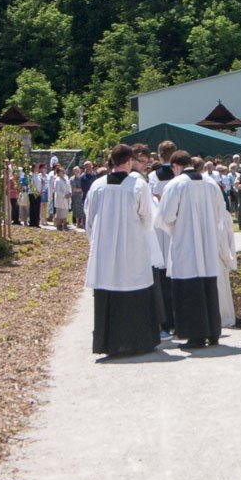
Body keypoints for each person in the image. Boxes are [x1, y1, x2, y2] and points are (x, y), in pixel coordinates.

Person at [84, 144, 162, 357]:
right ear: (129, 161)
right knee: (135, 288)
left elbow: (89, 219)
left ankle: (108, 343)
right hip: (132, 248)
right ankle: (138, 341)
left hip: (105, 251)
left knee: (108, 288)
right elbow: (148, 219)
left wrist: (97, 243)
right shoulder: (138, 185)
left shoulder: (97, 185)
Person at [156, 151, 234, 348]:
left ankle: (195, 335)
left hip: (186, 245)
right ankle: (213, 332)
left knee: (189, 290)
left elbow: (165, 217)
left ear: (175, 166)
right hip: (208, 245)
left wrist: (177, 228)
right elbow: (220, 212)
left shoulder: (176, 184)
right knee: (209, 288)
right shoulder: (211, 184)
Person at [148, 140, 177, 334]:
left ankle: (165, 320)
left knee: (162, 275)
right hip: (176, 227)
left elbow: (152, 199)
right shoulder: (179, 176)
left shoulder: (152, 176)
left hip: (159, 230)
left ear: (159, 155)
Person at [51, 164, 72, 230]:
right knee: (60, 214)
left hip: (66, 199)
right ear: (58, 173)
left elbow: (69, 187)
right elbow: (57, 190)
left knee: (65, 213)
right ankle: (59, 226)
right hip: (60, 199)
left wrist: (69, 193)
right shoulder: (57, 180)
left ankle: (65, 225)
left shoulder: (66, 179)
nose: (63, 172)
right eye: (62, 171)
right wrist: (64, 195)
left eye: (64, 171)